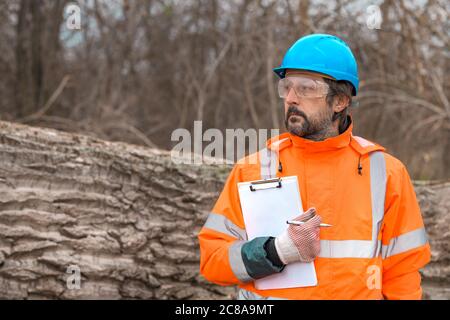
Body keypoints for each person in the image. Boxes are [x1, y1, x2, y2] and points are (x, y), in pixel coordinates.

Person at [198, 34, 431, 300]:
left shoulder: (386, 173)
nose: (291, 98)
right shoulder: (252, 169)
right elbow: (213, 261)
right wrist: (276, 252)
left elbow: (403, 273)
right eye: (286, 87)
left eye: (306, 88)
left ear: (340, 101)